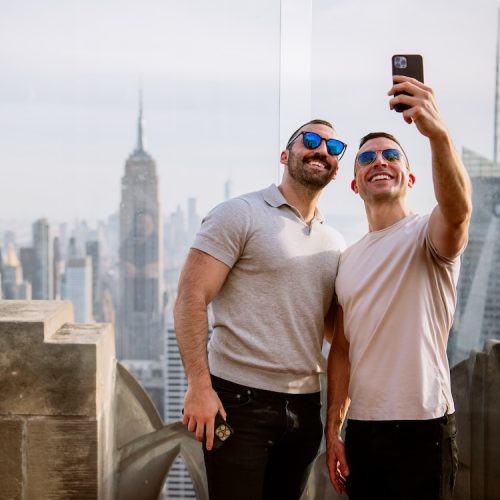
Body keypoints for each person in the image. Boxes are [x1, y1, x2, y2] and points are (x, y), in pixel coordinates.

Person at [174, 119, 347, 499]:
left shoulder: (334, 242)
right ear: (285, 155)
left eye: (334, 149)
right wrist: (198, 386)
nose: (322, 151)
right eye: (312, 141)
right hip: (238, 403)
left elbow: (337, 333)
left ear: (336, 171)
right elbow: (190, 296)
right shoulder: (240, 213)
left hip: (304, 409)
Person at [325, 75, 472, 500]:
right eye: (367, 158)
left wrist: (437, 133)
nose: (379, 161)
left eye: (391, 155)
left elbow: (459, 211)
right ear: (355, 185)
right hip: (363, 433)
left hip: (425, 428)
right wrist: (334, 431)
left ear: (409, 177)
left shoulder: (429, 234)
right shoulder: (347, 260)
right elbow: (343, 350)